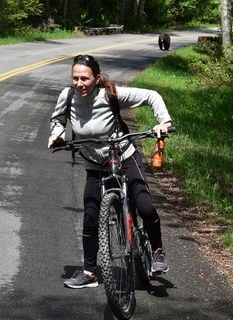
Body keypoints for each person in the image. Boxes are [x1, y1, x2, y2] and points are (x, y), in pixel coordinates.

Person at [48, 54, 172, 289]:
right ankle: (89, 272)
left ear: (96, 78)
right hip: (94, 164)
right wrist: (57, 134)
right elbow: (57, 120)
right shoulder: (68, 96)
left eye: (84, 78)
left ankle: (157, 252)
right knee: (91, 217)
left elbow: (151, 96)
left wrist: (163, 122)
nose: (79, 83)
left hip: (123, 156)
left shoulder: (110, 94)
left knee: (145, 206)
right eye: (75, 78)